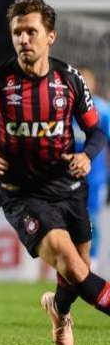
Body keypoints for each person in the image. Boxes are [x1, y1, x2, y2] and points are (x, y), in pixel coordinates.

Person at [0, 0, 110, 345]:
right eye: (17, 32)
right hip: (22, 194)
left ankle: (58, 309)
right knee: (72, 265)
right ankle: (61, 308)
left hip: (70, 188)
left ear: (50, 36)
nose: (24, 39)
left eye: (31, 31)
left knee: (78, 273)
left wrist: (86, 156)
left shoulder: (70, 80)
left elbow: (98, 131)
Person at [73, 66, 110, 267]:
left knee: (91, 221)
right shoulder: (65, 110)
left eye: (87, 81)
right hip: (68, 178)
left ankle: (91, 265)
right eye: (80, 81)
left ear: (93, 85)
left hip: (95, 178)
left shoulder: (103, 111)